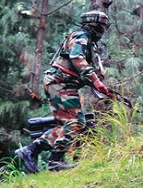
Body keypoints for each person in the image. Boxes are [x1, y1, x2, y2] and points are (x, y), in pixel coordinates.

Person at [15, 10, 114, 173]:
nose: (103, 30)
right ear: (93, 24)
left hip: (61, 84)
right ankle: (54, 160)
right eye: (101, 26)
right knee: (75, 123)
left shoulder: (88, 41)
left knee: (70, 124)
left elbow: (82, 66)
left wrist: (97, 80)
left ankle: (33, 151)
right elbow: (76, 58)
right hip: (60, 83)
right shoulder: (80, 36)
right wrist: (95, 80)